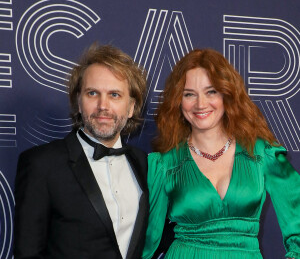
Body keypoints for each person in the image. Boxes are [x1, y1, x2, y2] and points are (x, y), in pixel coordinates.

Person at [142, 49, 300, 259]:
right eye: (189, 94)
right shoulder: (165, 165)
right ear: (178, 101)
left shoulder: (262, 153)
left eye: (211, 91)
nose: (200, 104)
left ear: (227, 94)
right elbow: (147, 242)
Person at [14, 43, 148, 259]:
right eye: (92, 93)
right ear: (78, 101)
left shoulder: (144, 163)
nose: (103, 105)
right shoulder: (42, 164)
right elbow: (28, 253)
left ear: (131, 107)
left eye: (115, 95)